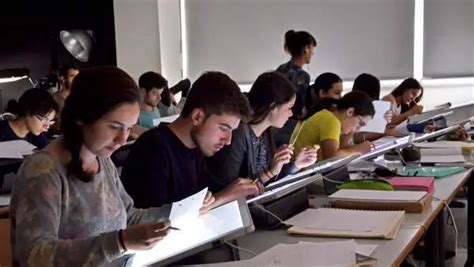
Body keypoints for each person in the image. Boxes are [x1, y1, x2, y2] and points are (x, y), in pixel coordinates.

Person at [10, 67, 213, 266]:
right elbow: (35, 256)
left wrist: (185, 210)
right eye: (114, 127)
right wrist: (119, 242)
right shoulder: (43, 171)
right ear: (82, 116)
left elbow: (129, 215)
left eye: (128, 128)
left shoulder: (102, 160)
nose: (122, 139)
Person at [121, 71, 260, 209]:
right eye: (224, 128)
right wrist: (222, 198)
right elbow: (154, 225)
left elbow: (209, 193)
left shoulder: (196, 146)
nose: (228, 140)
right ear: (197, 117)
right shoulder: (153, 150)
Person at [206, 72, 317, 190]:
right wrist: (269, 172)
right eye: (289, 107)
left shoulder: (265, 133)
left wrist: (295, 165)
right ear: (273, 106)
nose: (291, 114)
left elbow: (268, 183)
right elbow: (228, 189)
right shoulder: (238, 133)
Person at [291, 91, 375, 160]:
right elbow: (332, 157)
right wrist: (360, 149)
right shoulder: (331, 120)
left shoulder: (330, 115)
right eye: (360, 123)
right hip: (302, 175)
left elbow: (341, 148)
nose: (358, 129)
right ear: (350, 112)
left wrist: (350, 132)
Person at [275, 29, 317, 146]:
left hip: (274, 122)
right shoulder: (302, 76)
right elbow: (299, 105)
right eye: (312, 49)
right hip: (290, 123)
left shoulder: (281, 69)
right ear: (306, 49)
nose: (312, 54)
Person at [50, 65, 80, 134]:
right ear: (63, 79)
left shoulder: (80, 98)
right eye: (73, 76)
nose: (77, 80)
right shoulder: (52, 99)